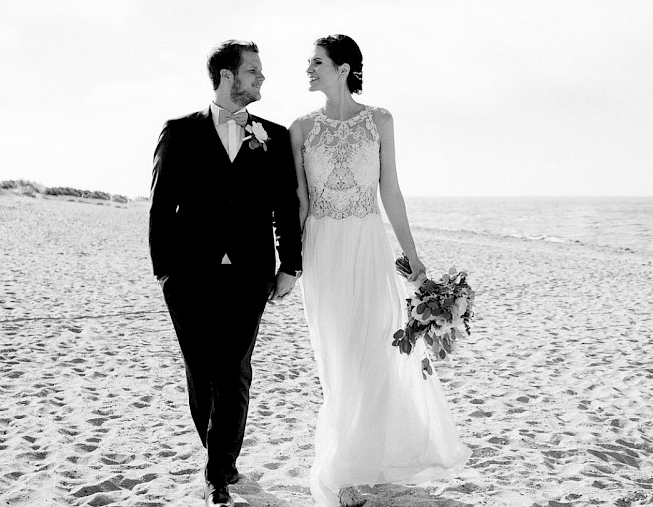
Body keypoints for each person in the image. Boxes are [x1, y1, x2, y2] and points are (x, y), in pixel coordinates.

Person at [289, 34, 470, 506]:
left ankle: (359, 463)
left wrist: (413, 257)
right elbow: (299, 203)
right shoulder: (301, 129)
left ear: (344, 68)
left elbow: (391, 191)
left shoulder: (380, 121)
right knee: (336, 355)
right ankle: (344, 470)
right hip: (323, 249)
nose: (309, 69)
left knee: (373, 348)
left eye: (317, 62)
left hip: (368, 245)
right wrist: (290, 262)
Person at [149, 40, 302, 507]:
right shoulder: (179, 132)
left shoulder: (272, 136)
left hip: (250, 276)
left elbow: (287, 208)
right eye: (253, 71)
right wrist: (166, 274)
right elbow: (160, 207)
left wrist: (290, 265)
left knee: (232, 372)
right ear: (226, 76)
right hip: (189, 276)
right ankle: (221, 458)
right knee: (200, 372)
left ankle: (218, 473)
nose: (261, 79)